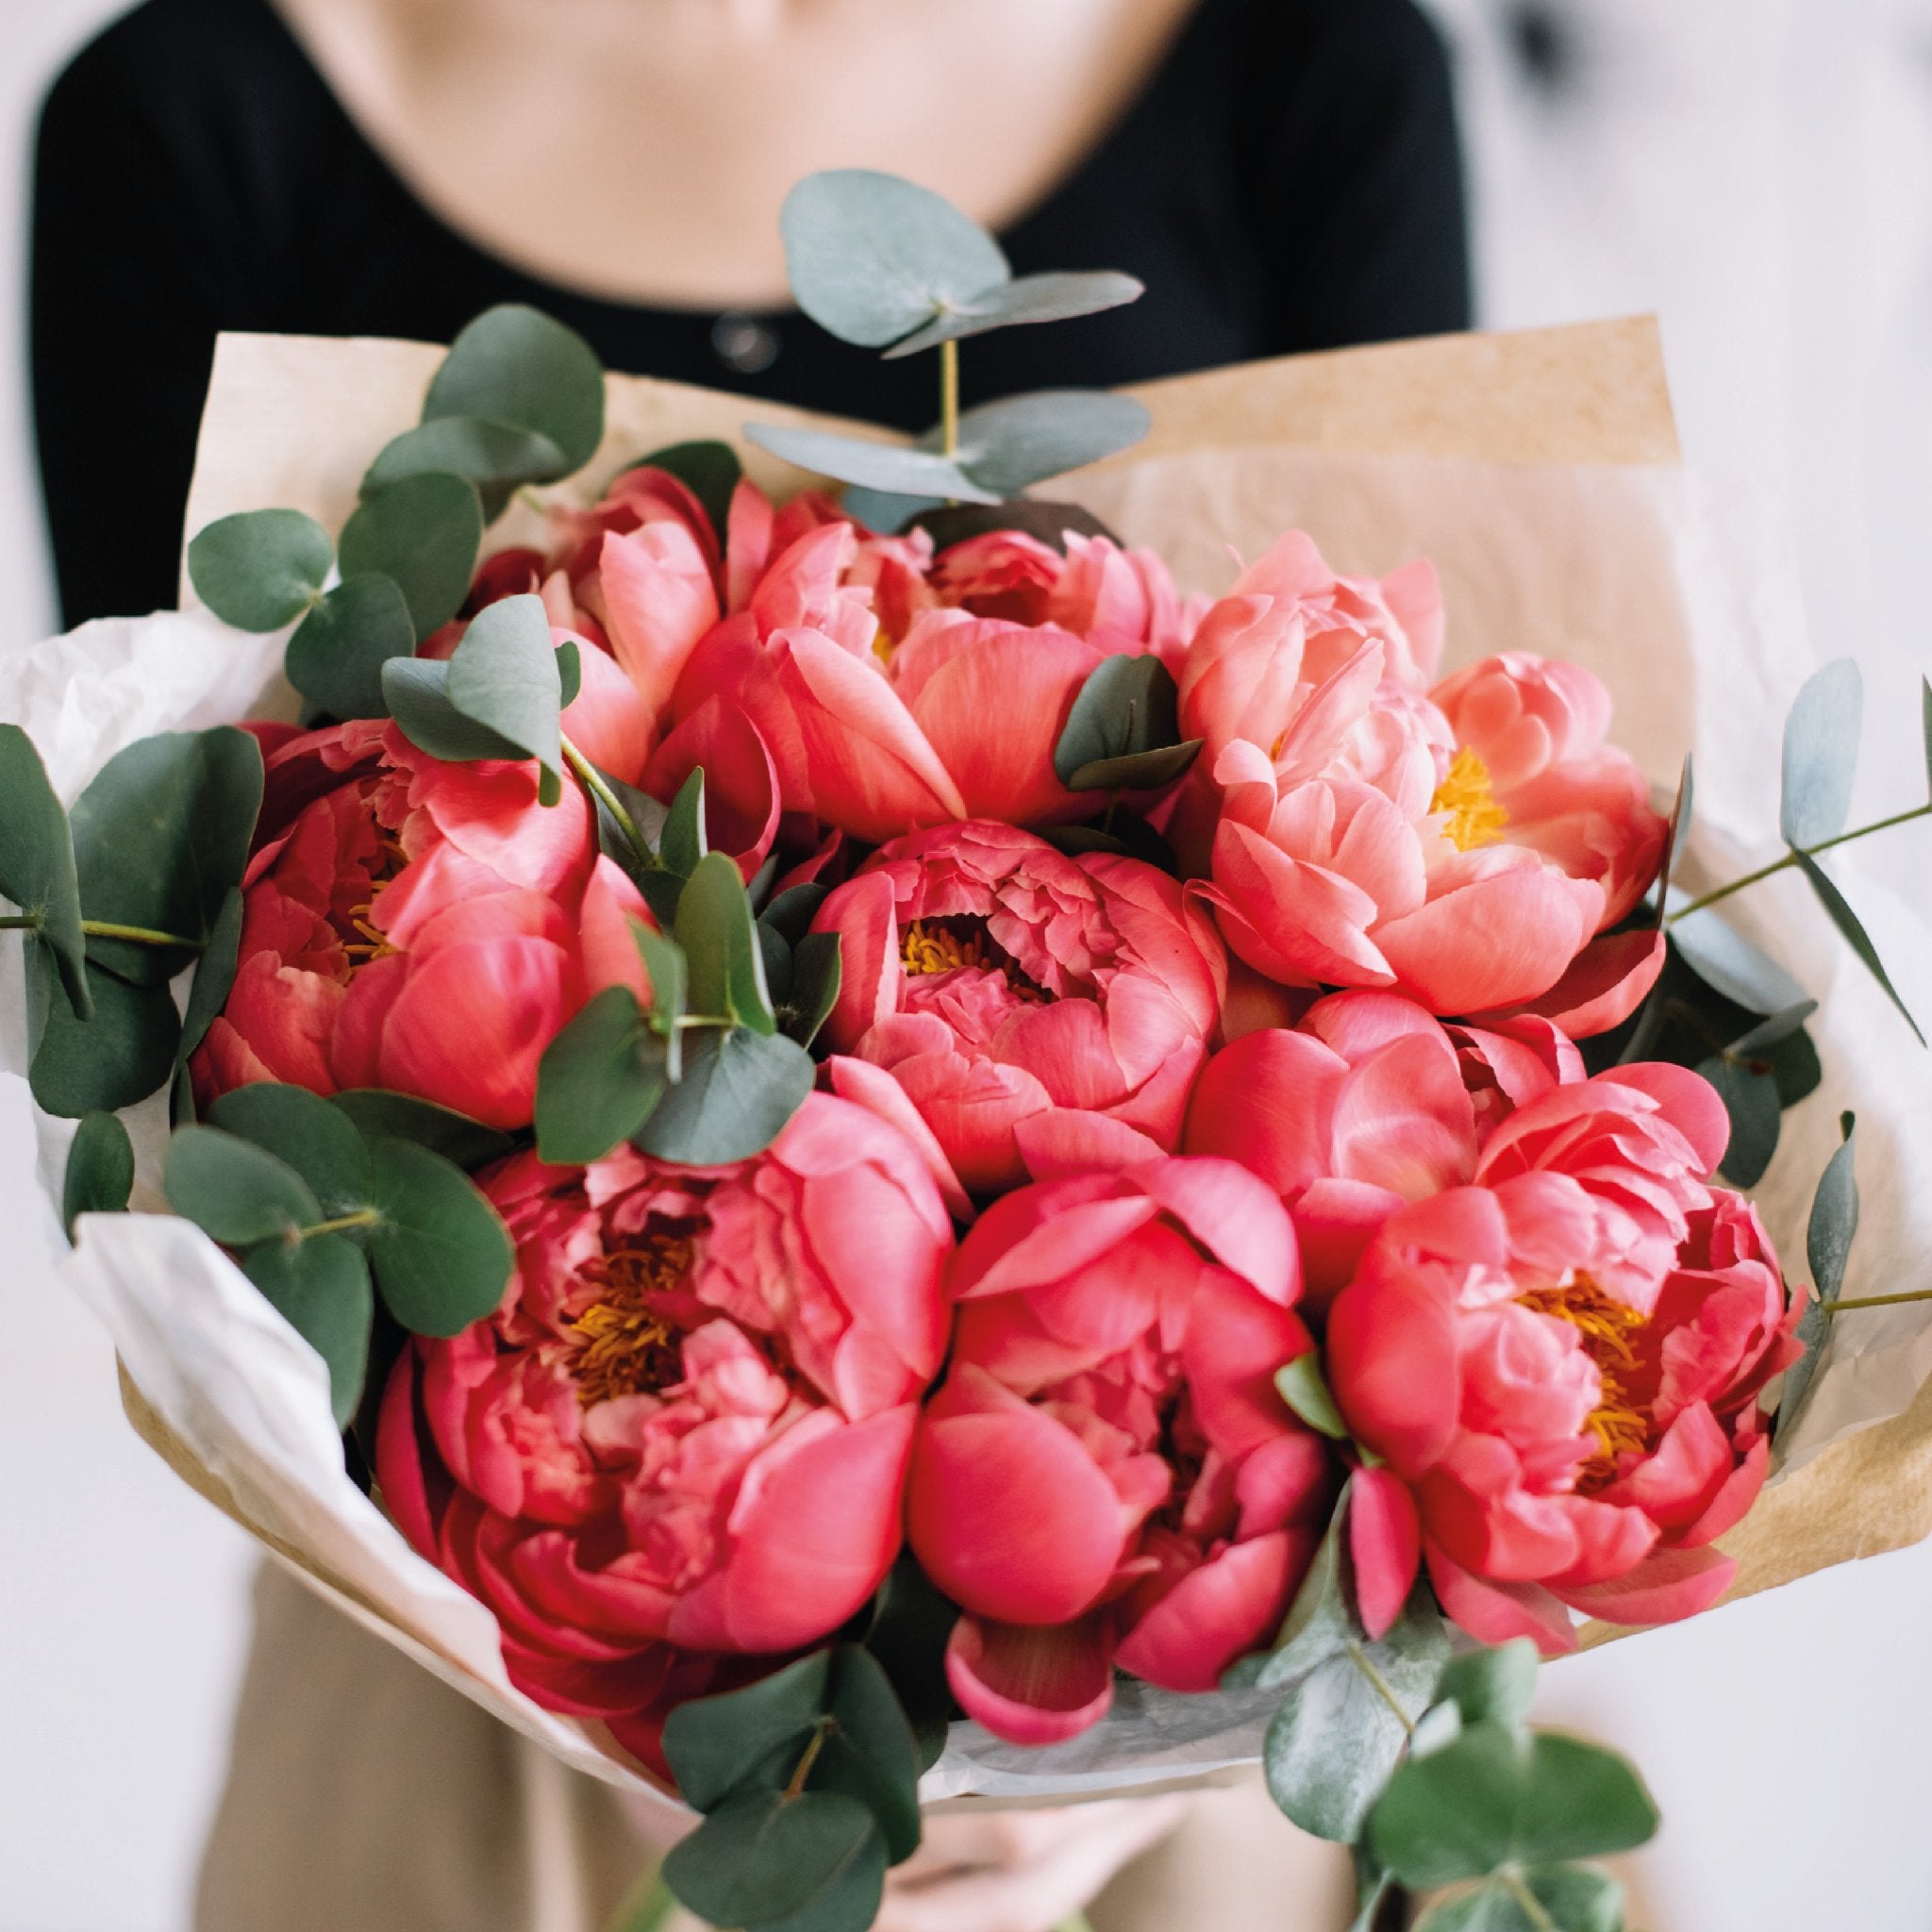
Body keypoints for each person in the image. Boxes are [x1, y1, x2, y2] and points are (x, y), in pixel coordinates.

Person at [30, 3, 1468, 1926]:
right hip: (471, 1676)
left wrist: (1156, 1748)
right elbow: (190, 1013)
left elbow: (1416, 887)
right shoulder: (197, 116)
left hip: (1215, 1682)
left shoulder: (1309, 60)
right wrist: (625, 1682)